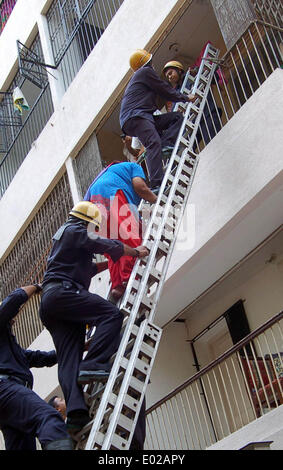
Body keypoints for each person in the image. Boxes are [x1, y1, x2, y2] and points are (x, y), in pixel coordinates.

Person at [39, 201, 149, 432]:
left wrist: (109, 264)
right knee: (110, 314)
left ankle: (76, 413)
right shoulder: (74, 230)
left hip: (53, 304)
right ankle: (93, 363)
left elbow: (90, 268)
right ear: (87, 222)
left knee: (69, 357)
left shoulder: (65, 244)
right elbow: (103, 244)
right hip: (64, 293)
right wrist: (134, 252)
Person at [0, 285, 72, 450]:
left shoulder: (12, 350)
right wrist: (37, 286)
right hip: (6, 390)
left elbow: (44, 358)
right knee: (48, 416)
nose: (15, 317)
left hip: (7, 403)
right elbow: (12, 302)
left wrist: (79, 347)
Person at [119, 49, 196, 192]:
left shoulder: (140, 77)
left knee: (175, 117)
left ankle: (166, 144)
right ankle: (156, 185)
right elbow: (163, 89)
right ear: (149, 63)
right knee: (153, 142)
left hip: (141, 117)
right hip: (136, 116)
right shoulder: (145, 73)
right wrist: (185, 98)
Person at [84, 161, 157, 300]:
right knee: (130, 236)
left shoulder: (108, 173)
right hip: (110, 193)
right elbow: (140, 187)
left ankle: (117, 285)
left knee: (113, 247)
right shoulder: (133, 167)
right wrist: (156, 199)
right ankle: (130, 277)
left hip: (92, 210)